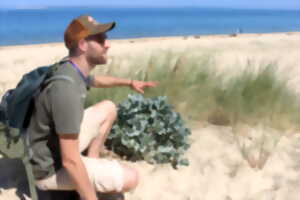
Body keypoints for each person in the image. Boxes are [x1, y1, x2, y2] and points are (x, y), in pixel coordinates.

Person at [28, 15, 157, 200]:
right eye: (101, 39)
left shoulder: (70, 69)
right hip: (49, 168)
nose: (108, 44)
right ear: (82, 45)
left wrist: (129, 82)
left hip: (52, 146)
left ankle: (91, 162)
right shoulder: (66, 89)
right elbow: (70, 160)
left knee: (109, 108)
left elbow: (97, 80)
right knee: (131, 178)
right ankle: (84, 182)